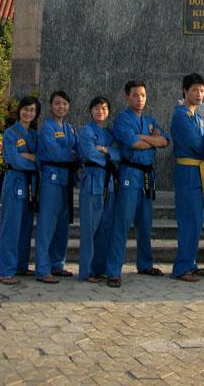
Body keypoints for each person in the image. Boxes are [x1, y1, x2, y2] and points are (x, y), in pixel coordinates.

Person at [106, 81, 169, 287]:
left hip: (147, 176)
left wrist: (145, 137)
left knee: (145, 222)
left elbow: (165, 141)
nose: (140, 99)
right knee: (123, 221)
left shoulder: (150, 120)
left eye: (143, 95)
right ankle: (114, 269)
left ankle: (145, 263)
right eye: (135, 95)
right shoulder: (122, 119)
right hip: (130, 173)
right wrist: (150, 139)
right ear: (127, 96)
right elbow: (133, 143)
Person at [170, 73, 204, 281]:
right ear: (185, 91)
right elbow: (197, 144)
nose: (199, 94)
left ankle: (190, 262)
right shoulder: (181, 116)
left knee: (196, 219)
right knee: (188, 219)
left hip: (198, 172)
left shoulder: (198, 117)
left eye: (202, 90)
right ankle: (181, 267)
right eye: (195, 89)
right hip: (187, 172)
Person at [35, 91, 78, 284]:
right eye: (57, 103)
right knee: (47, 224)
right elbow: (54, 152)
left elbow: (79, 150)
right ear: (51, 106)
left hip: (67, 179)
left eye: (64, 103)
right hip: (51, 178)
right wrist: (71, 154)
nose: (61, 107)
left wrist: (70, 154)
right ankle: (43, 269)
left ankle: (57, 264)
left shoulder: (70, 129)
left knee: (62, 224)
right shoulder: (47, 127)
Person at [0, 96, 40, 285]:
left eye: (32, 110)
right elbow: (13, 159)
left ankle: (21, 265)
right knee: (11, 226)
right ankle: (6, 270)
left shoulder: (34, 135)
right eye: (25, 109)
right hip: (15, 181)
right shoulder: (10, 133)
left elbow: (41, 159)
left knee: (25, 225)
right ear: (19, 110)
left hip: (31, 184)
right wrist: (32, 160)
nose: (28, 113)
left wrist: (30, 157)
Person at [77, 96, 120, 282]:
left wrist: (108, 151)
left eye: (103, 108)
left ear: (108, 111)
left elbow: (119, 153)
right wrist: (106, 154)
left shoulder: (110, 133)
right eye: (96, 108)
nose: (100, 111)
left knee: (105, 229)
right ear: (90, 111)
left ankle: (99, 268)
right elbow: (89, 153)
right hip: (92, 180)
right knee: (89, 228)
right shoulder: (86, 131)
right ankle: (86, 271)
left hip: (108, 183)